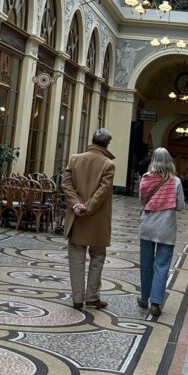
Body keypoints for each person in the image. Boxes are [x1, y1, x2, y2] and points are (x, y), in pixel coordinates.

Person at [61, 127, 116, 310]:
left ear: (92, 141)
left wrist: (77, 204)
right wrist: (88, 207)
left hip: (76, 219)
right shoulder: (108, 164)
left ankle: (77, 299)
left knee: (76, 258)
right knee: (97, 257)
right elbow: (103, 190)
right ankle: (92, 296)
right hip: (97, 220)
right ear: (107, 144)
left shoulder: (75, 159)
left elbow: (66, 183)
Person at [138, 147, 186, 319]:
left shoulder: (145, 178)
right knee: (162, 265)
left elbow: (142, 200)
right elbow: (180, 207)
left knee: (146, 263)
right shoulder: (176, 182)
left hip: (148, 226)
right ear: (169, 161)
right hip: (166, 228)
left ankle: (144, 298)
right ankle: (156, 302)